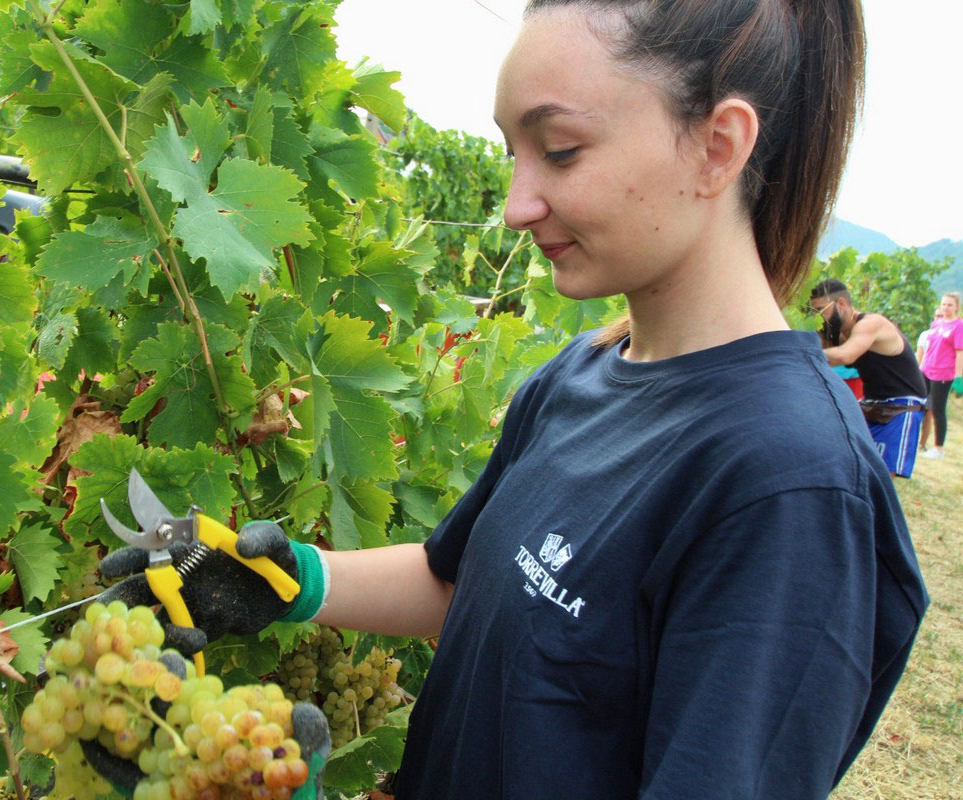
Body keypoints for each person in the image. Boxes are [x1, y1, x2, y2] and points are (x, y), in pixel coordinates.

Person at [122, 2, 928, 797]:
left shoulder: (787, 485)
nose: (516, 206)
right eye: (512, 153)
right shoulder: (582, 371)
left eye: (561, 150)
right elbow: (465, 585)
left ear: (718, 148)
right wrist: (292, 579)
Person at [810, 279, 928, 478]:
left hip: (901, 407)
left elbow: (845, 355)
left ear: (841, 304)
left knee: (880, 479)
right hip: (871, 405)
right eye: (813, 312)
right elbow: (822, 353)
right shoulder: (837, 334)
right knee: (851, 468)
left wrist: (799, 351)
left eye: (821, 310)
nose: (818, 317)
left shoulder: (871, 324)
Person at [919, 292, 963, 459]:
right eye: (944, 304)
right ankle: (918, 440)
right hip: (927, 370)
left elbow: (960, 353)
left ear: (957, 307)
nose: (946, 308)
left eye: (950, 305)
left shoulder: (959, 326)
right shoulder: (936, 323)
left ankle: (938, 448)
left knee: (937, 409)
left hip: (943, 373)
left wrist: (958, 377)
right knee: (920, 403)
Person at [915, 309, 945, 450]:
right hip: (923, 375)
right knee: (916, 408)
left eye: (942, 316)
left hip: (938, 377)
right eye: (937, 315)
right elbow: (919, 356)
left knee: (929, 411)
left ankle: (922, 444)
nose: (939, 318)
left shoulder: (947, 337)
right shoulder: (925, 335)